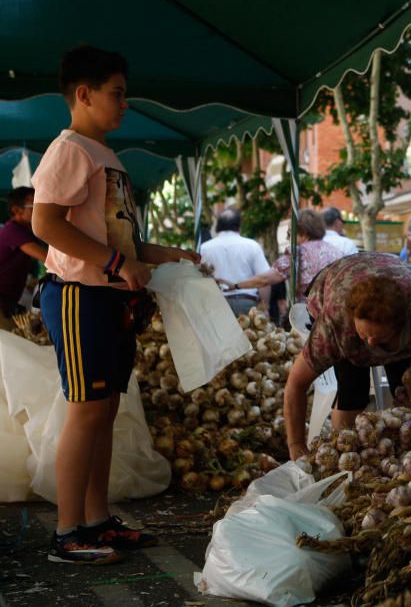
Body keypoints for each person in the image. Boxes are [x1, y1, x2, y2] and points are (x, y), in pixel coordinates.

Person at [31, 46, 199, 564]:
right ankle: (67, 532)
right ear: (84, 94)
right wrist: (113, 266)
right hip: (80, 297)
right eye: (117, 93)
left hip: (107, 301)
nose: (125, 104)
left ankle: (97, 519)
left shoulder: (107, 157)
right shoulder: (70, 150)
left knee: (103, 412)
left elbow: (123, 243)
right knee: (84, 414)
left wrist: (173, 254)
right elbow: (46, 225)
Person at [284, 252, 411, 457]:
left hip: (398, 279)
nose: (370, 343)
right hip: (334, 283)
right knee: (352, 388)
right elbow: (296, 383)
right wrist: (295, 444)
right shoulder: (335, 326)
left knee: (408, 387)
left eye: (379, 337)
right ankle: (345, 453)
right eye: (365, 335)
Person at [229, 208, 344, 304]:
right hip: (336, 312)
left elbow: (265, 279)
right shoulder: (336, 251)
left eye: (289, 233)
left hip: (310, 316)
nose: (288, 238)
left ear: (303, 233)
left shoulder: (298, 253)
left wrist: (236, 285)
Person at [198, 208, 271, 317]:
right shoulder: (251, 245)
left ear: (218, 226)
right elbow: (264, 279)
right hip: (246, 303)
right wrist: (265, 307)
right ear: (239, 226)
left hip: (217, 304)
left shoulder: (203, 248)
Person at [0, 186, 47, 329]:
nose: (39, 210)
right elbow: (46, 257)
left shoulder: (26, 232)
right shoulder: (12, 230)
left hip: (8, 303)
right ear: (16, 210)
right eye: (33, 206)